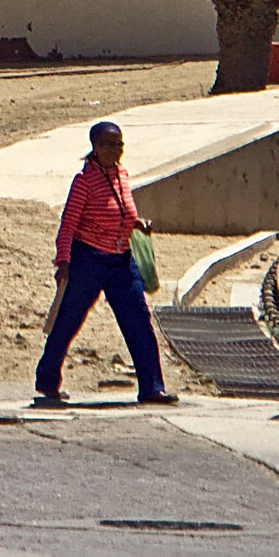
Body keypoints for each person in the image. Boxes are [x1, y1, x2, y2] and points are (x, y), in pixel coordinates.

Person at [32, 120, 174, 407]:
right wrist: (63, 260)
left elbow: (120, 211)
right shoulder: (84, 181)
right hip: (89, 261)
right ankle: (47, 381)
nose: (116, 149)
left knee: (139, 322)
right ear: (95, 147)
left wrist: (137, 223)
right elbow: (68, 224)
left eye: (120, 143)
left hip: (122, 261)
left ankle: (152, 388)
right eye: (110, 144)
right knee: (68, 321)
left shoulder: (122, 175)